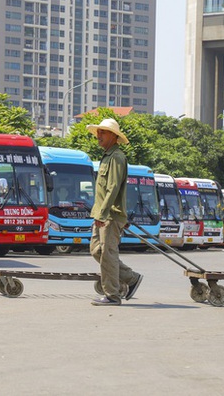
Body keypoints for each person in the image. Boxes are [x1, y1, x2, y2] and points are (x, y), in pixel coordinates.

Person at [87, 118, 143, 306]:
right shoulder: (107, 156)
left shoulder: (117, 157)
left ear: (113, 136)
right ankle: (131, 278)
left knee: (107, 254)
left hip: (109, 215)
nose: (99, 135)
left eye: (103, 132)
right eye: (98, 132)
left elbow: (113, 188)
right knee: (96, 250)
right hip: (102, 214)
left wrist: (103, 215)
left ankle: (112, 295)